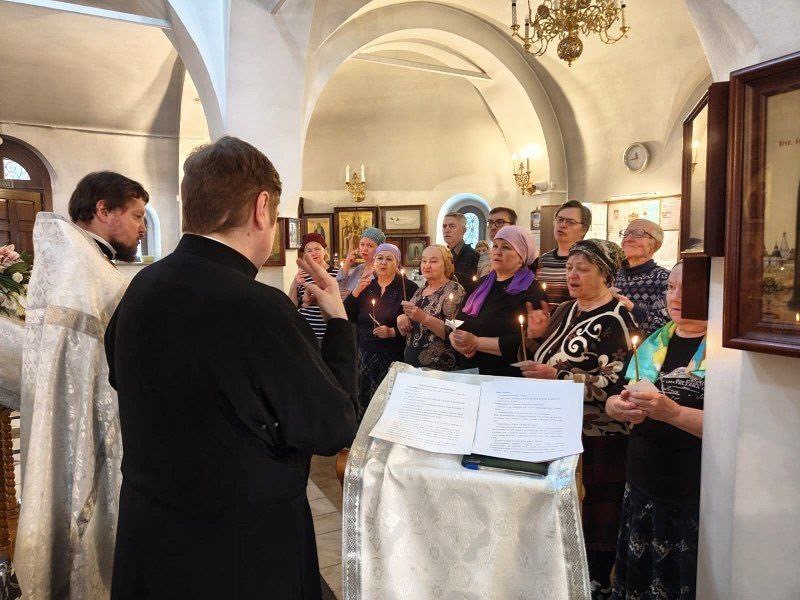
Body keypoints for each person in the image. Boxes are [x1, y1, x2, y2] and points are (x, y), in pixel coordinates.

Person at [105, 136, 358, 600]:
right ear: (262, 208)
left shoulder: (141, 287)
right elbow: (332, 427)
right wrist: (339, 323)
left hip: (153, 533)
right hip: (239, 549)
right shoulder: (258, 306)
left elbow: (122, 379)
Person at [16, 172, 148, 599]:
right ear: (103, 210)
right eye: (136, 216)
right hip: (91, 418)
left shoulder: (86, 258)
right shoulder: (78, 265)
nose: (142, 228)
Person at [518, 238, 636, 599]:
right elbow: (550, 353)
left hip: (598, 436)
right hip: (558, 427)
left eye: (583, 269)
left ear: (606, 275)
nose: (572, 274)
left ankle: (594, 581)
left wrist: (557, 377)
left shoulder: (616, 318)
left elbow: (615, 383)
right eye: (570, 267)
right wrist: (535, 339)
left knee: (596, 512)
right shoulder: (568, 309)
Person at [606, 262, 706, 600]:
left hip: (690, 492)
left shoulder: (725, 351)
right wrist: (618, 408)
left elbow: (734, 427)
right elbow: (615, 397)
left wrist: (674, 413)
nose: (675, 297)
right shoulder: (656, 340)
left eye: (688, 288)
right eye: (671, 287)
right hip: (642, 483)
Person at [449, 225, 548, 377]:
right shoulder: (480, 284)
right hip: (469, 371)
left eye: (506, 247)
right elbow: (457, 321)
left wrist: (476, 342)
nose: (497, 252)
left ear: (522, 256)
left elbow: (528, 342)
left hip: (505, 375)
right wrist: (455, 340)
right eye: (495, 246)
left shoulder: (532, 291)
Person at [344, 243, 418, 417]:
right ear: (374, 261)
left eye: (389, 259)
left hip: (392, 355)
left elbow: (415, 325)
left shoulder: (408, 288)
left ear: (397, 263)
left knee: (388, 405)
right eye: (380, 258)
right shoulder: (366, 286)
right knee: (365, 403)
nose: (383, 262)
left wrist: (392, 332)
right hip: (364, 353)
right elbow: (346, 314)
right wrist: (356, 291)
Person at [397, 245, 465, 371]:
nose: (426, 265)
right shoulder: (420, 291)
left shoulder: (454, 290)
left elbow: (453, 331)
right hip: (413, 369)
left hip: (439, 370)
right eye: (424, 261)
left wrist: (424, 318)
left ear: (446, 265)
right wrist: (402, 319)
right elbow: (409, 328)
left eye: (433, 261)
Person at [611, 218, 670, 337]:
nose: (628, 239)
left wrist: (632, 308)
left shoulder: (665, 279)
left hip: (643, 348)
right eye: (626, 233)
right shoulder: (611, 275)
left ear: (655, 245)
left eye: (639, 233)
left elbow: (663, 329)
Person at [533, 199, 591, 310]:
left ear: (583, 229)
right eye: (560, 220)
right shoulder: (543, 260)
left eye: (570, 222)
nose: (563, 225)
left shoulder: (589, 262)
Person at [289, 232, 340, 342]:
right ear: (305, 255)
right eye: (309, 251)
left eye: (317, 249)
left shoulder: (337, 273)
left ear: (324, 251)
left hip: (330, 332)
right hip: (305, 332)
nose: (313, 253)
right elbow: (292, 306)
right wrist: (294, 284)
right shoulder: (302, 274)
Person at [336, 226, 386, 294]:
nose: (364, 249)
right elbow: (339, 288)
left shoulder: (380, 271)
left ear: (379, 249)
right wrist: (347, 264)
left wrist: (351, 295)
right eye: (362, 244)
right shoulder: (359, 268)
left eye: (370, 246)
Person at [477, 207, 518, 278]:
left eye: (499, 222)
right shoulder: (484, 256)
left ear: (513, 226)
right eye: (490, 223)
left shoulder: (520, 255)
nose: (493, 227)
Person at [442, 212, 479, 284]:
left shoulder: (473, 256)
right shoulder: (441, 255)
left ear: (464, 230)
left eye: (452, 226)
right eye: (444, 226)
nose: (446, 230)